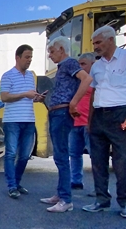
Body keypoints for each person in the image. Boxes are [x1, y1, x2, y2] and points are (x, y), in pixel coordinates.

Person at [82, 25, 126, 219]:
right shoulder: (97, 65)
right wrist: (90, 120)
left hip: (121, 114)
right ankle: (101, 200)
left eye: (98, 42)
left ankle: (125, 203)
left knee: (123, 161)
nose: (95, 47)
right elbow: (93, 92)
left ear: (111, 40)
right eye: (94, 43)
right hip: (99, 117)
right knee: (98, 161)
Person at [39, 37, 92, 212]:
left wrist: (73, 103)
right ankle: (61, 194)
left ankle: (66, 199)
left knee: (61, 156)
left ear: (61, 49)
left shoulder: (69, 63)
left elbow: (86, 79)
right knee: (60, 156)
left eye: (52, 51)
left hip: (62, 113)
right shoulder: (64, 67)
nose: (50, 55)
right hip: (57, 112)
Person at [0, 45, 44, 199]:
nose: (29, 60)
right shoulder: (7, 76)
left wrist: (37, 98)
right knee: (11, 154)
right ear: (17, 57)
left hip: (29, 120)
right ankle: (11, 186)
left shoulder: (31, 76)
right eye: (26, 57)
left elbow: (29, 98)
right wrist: (25, 94)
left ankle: (17, 183)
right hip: (12, 121)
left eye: (31, 57)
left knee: (25, 155)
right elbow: (4, 97)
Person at [69, 53, 96, 192]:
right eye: (79, 63)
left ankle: (100, 187)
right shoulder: (76, 81)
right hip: (75, 123)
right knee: (74, 154)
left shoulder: (96, 81)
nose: (80, 66)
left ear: (92, 64)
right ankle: (76, 181)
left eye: (84, 63)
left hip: (88, 123)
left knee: (95, 156)